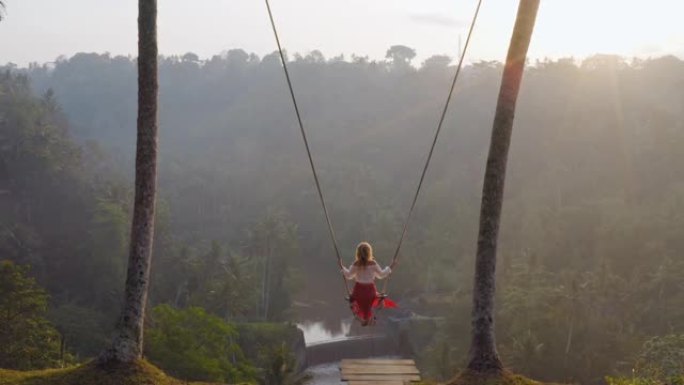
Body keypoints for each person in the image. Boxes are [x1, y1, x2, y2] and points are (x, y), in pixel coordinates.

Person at [339, 242, 397, 326]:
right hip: (370, 292)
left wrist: (341, 266)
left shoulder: (356, 264)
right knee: (381, 303)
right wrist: (391, 265)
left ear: (358, 253)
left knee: (352, 303)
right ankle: (372, 316)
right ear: (369, 252)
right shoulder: (373, 263)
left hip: (358, 292)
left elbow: (348, 275)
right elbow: (381, 275)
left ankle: (361, 318)